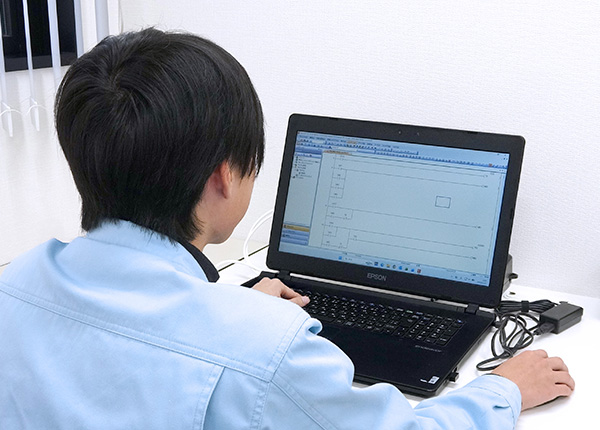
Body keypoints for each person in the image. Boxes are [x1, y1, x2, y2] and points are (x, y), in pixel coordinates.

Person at [0, 28, 574, 429]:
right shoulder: (267, 349)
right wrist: (502, 389)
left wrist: (227, 309)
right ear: (224, 175)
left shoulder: (14, 285)